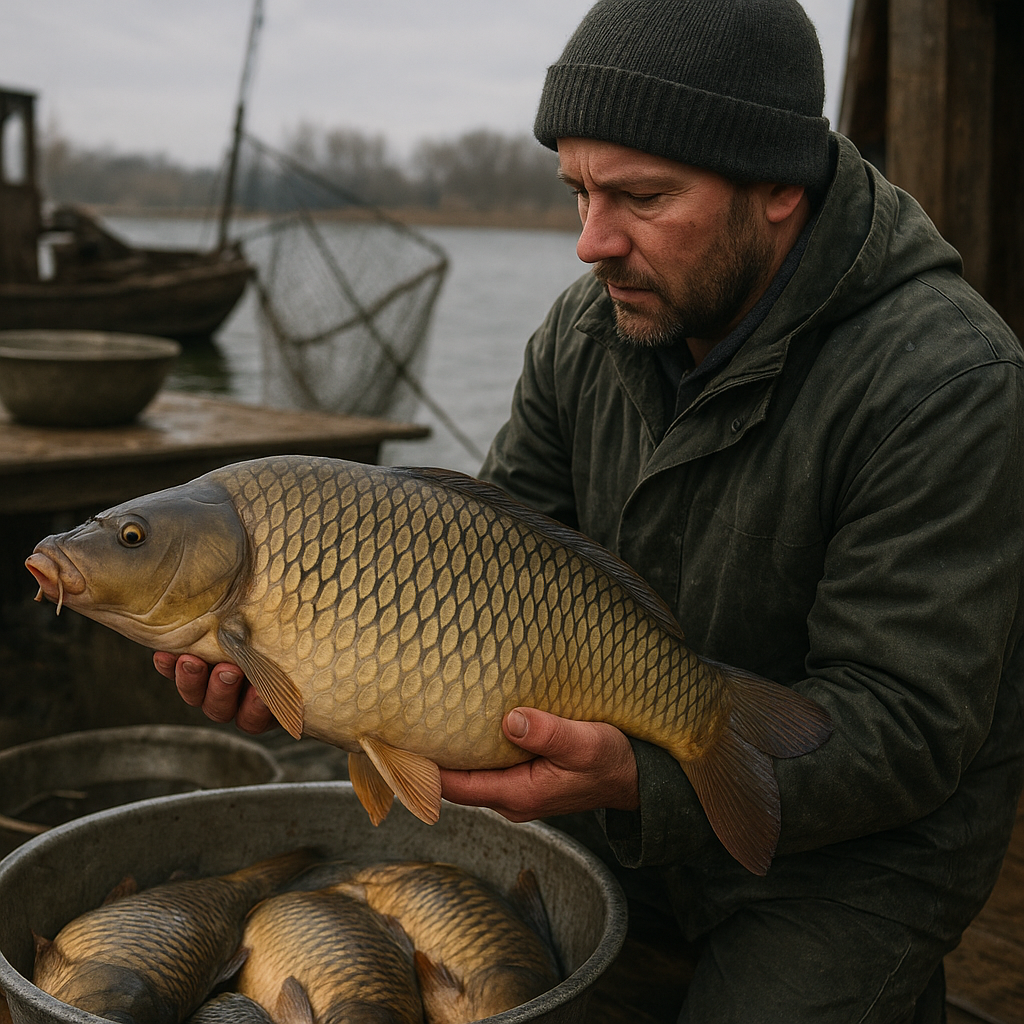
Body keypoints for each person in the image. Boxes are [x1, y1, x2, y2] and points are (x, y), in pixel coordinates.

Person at [155, 1, 1024, 1020]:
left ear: (782, 184)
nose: (589, 242)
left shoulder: (949, 380)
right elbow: (468, 563)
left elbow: (913, 728)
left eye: (641, 197)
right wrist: (310, 672)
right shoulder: (588, 330)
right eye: (575, 192)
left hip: (856, 851)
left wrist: (637, 780)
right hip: (618, 800)